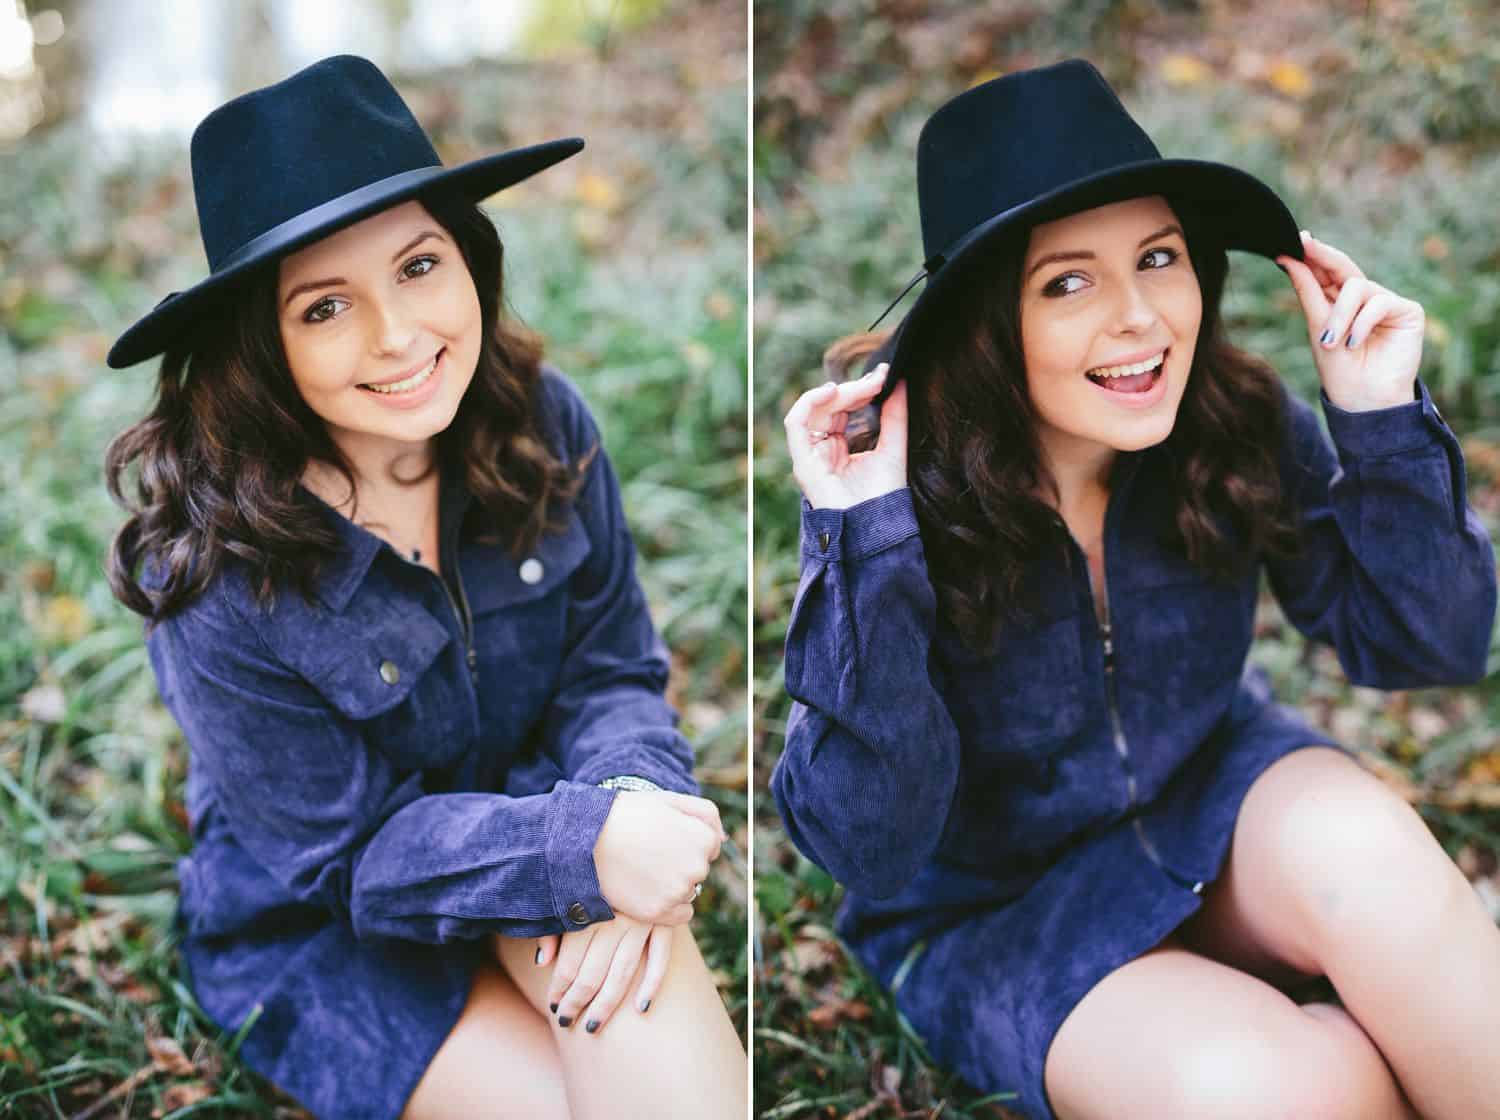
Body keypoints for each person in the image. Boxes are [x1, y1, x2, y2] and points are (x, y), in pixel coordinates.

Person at [773, 59, 1499, 1120]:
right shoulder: (902, 503)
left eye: (1158, 258)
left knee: (1379, 864)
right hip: (1001, 911)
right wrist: (867, 540)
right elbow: (869, 843)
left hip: (1218, 798)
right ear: (986, 323)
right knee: (1294, 1085)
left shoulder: (1230, 421)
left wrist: (1379, 422)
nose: (1141, 318)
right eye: (1067, 281)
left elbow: (1430, 645)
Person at [104, 55, 746, 1120]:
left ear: (470, 256)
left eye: (416, 266)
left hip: (557, 814)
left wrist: (627, 804)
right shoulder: (214, 571)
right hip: (342, 931)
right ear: (259, 344)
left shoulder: (543, 424)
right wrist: (576, 851)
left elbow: (611, 669)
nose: (399, 335)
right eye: (324, 307)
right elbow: (349, 858)